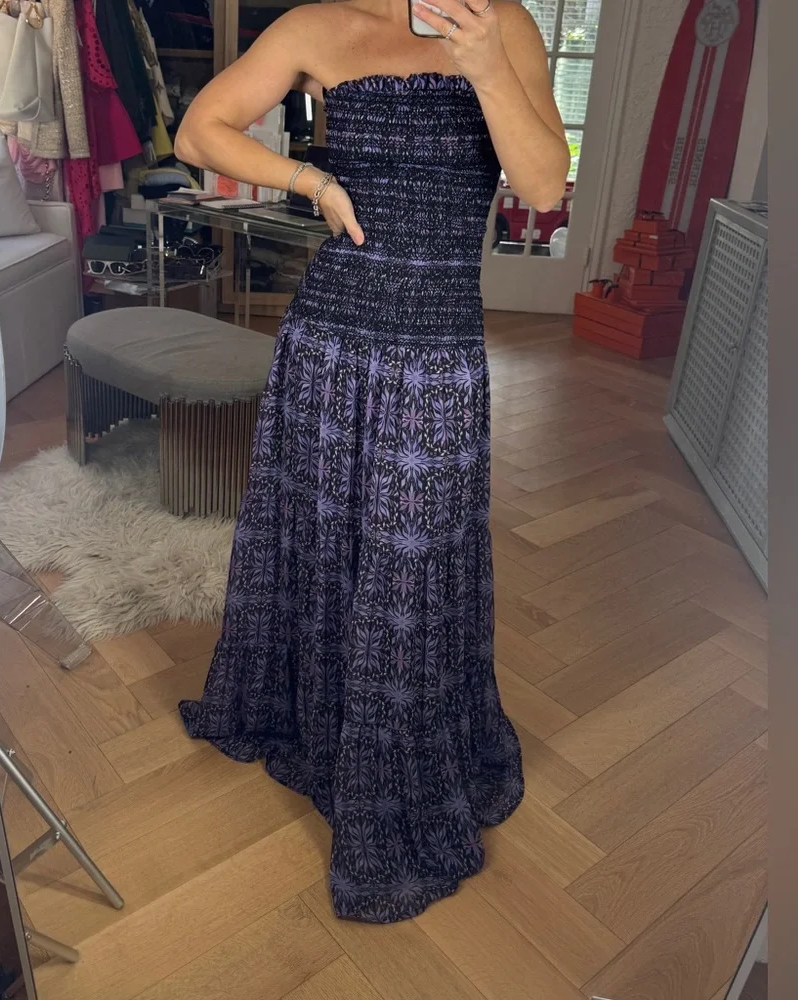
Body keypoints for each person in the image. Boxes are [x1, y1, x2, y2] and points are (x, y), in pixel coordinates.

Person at [176, 0, 570, 924]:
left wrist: (485, 64)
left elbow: (545, 185)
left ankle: (394, 767)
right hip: (329, 337)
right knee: (318, 541)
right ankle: (320, 726)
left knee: (411, 565)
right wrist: (310, 180)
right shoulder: (317, 25)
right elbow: (200, 130)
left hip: (437, 349)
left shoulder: (501, 23)